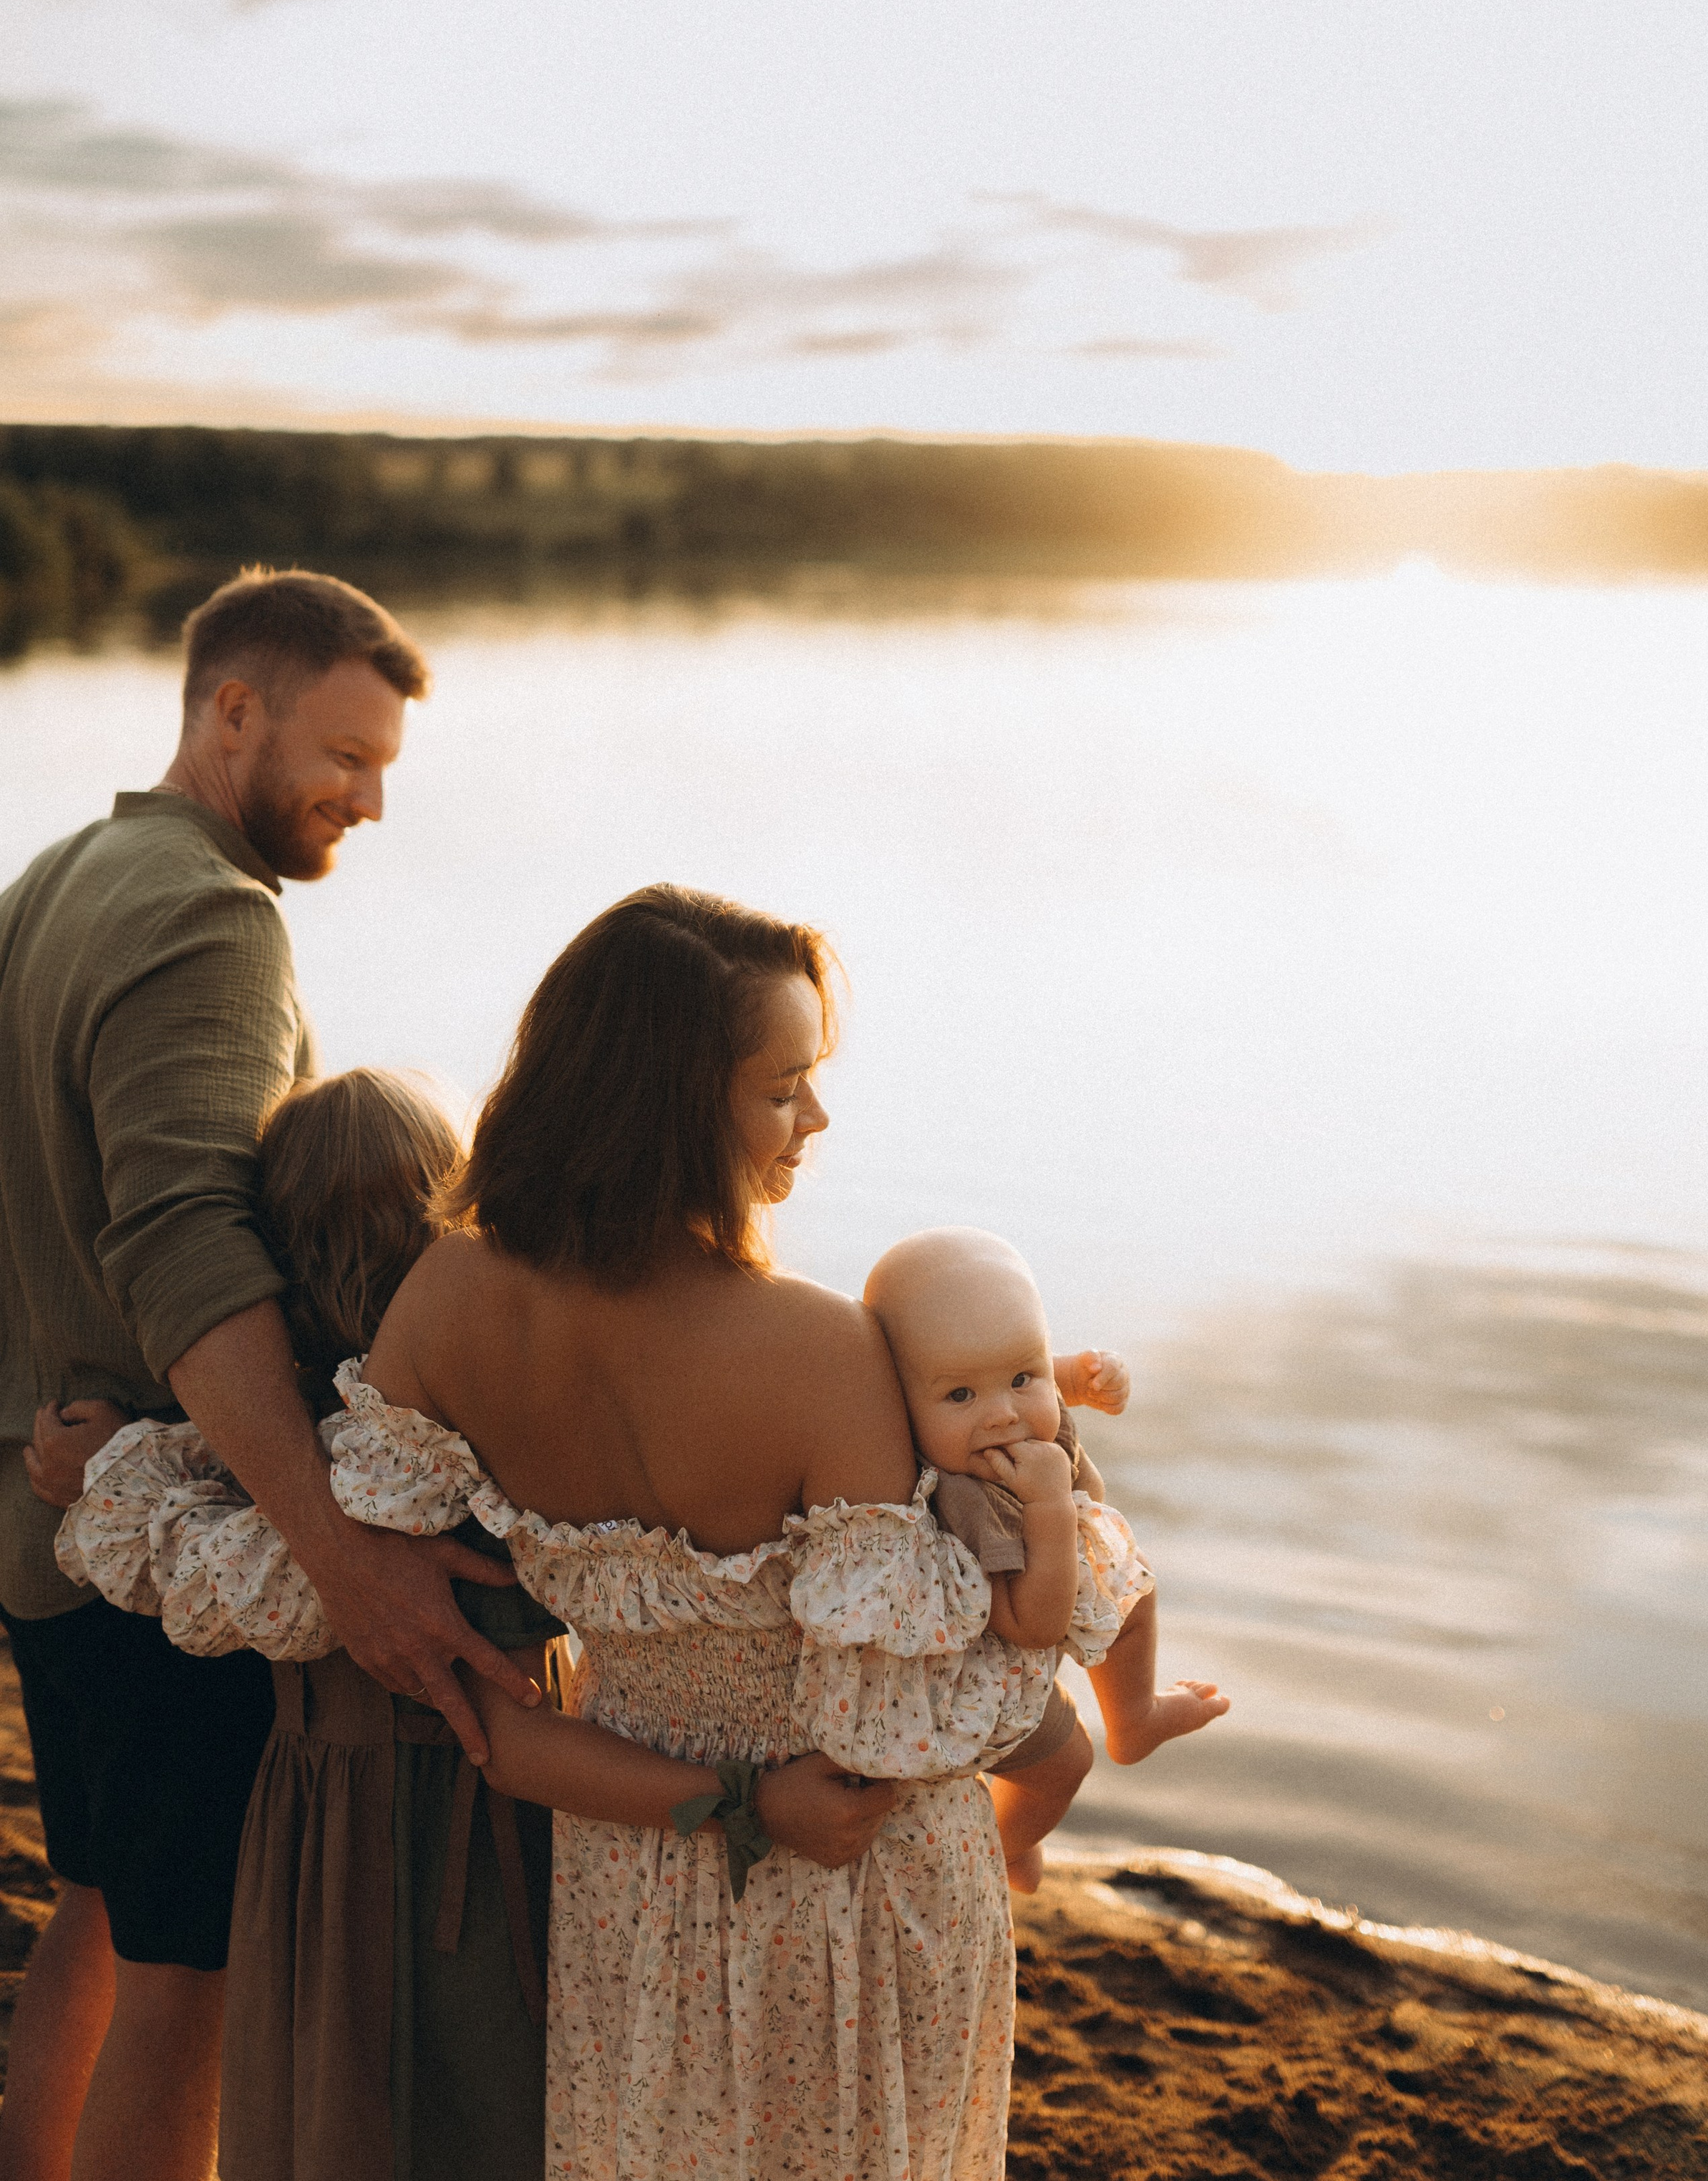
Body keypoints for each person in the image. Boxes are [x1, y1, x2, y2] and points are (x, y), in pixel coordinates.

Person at [354, 884, 1115, 2180]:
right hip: (851, 1875)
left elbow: (419, 1625)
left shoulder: (443, 1299)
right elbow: (930, 1691)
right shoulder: (820, 1349)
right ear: (667, 1098)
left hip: (634, 1861)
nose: (816, 1119)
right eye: (784, 1089)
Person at [45, 1069, 897, 2181]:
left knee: (349, 2083)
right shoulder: (490, 1419)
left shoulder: (292, 1453)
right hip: (503, 1799)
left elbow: (209, 1571)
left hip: (351, 1808)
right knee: (490, 2089)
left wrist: (102, 1466)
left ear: (276, 1260)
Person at [0, 569, 539, 2181]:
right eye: (347, 756)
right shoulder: (205, 913)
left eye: (386, 771)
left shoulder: (55, 878)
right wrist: (334, 1550)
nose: (369, 803)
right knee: (192, 1969)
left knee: (96, 1916)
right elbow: (190, 1253)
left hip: (50, 1518)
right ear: (233, 707)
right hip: (166, 1561)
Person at [864, 1228, 1231, 1890]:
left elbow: (1004, 1369)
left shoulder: (999, 1410)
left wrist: (1078, 1376)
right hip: (991, 1677)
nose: (1005, 1415)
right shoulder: (969, 1498)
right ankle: (1007, 1842)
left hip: (1069, 1582)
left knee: (1135, 1594)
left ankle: (1135, 1716)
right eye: (960, 1397)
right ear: (896, 1405)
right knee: (1063, 1767)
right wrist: (1051, 1507)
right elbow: (1031, 1624)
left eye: (1021, 1377)